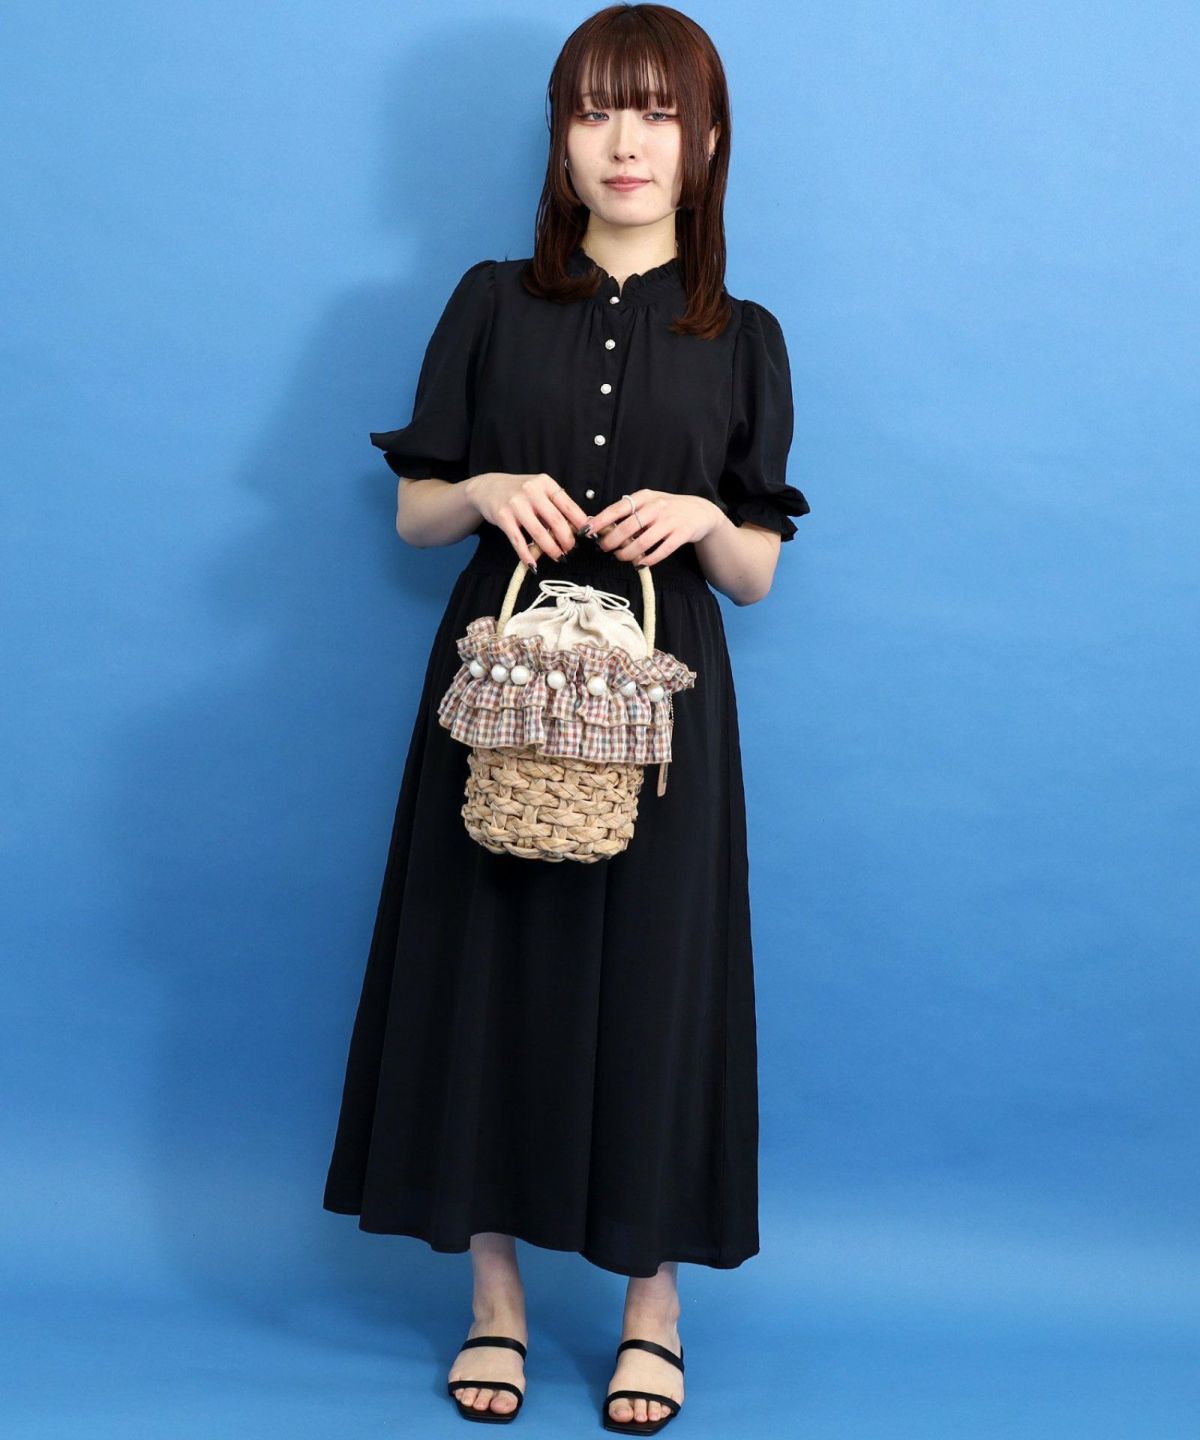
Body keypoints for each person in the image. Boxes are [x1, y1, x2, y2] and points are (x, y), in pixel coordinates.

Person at [323, 3, 810, 1430]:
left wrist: (705, 516)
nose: (626, 142)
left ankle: (654, 1307)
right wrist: (479, 489)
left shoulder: (745, 336)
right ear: (559, 138)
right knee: (483, 967)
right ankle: (497, 1303)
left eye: (658, 112)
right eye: (597, 111)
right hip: (497, 685)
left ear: (707, 142)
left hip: (661, 713)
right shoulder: (488, 300)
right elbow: (416, 516)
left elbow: (757, 571)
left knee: (658, 980)